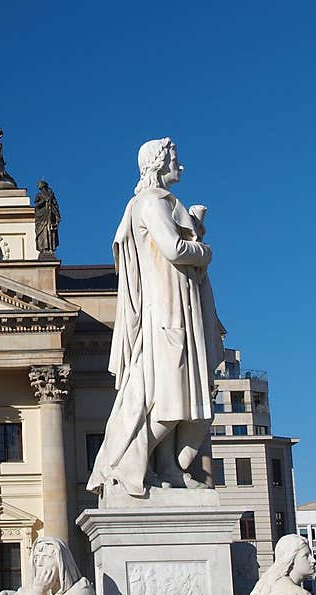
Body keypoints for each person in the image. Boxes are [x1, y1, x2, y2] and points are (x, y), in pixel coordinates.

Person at [87, 138, 223, 497]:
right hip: (167, 310)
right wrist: (203, 250)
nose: (182, 165)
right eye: (176, 158)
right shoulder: (149, 203)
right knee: (169, 393)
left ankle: (167, 468)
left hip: (178, 305)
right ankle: (128, 461)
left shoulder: (160, 202)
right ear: (160, 162)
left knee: (179, 393)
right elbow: (173, 248)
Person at [34, 180, 61, 256]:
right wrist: (44, 201)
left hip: (50, 216)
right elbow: (36, 205)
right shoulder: (39, 195)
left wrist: (57, 215)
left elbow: (55, 205)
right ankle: (43, 249)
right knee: (43, 232)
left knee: (50, 231)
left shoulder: (51, 195)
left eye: (39, 185)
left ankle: (50, 248)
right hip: (41, 217)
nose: (38, 186)